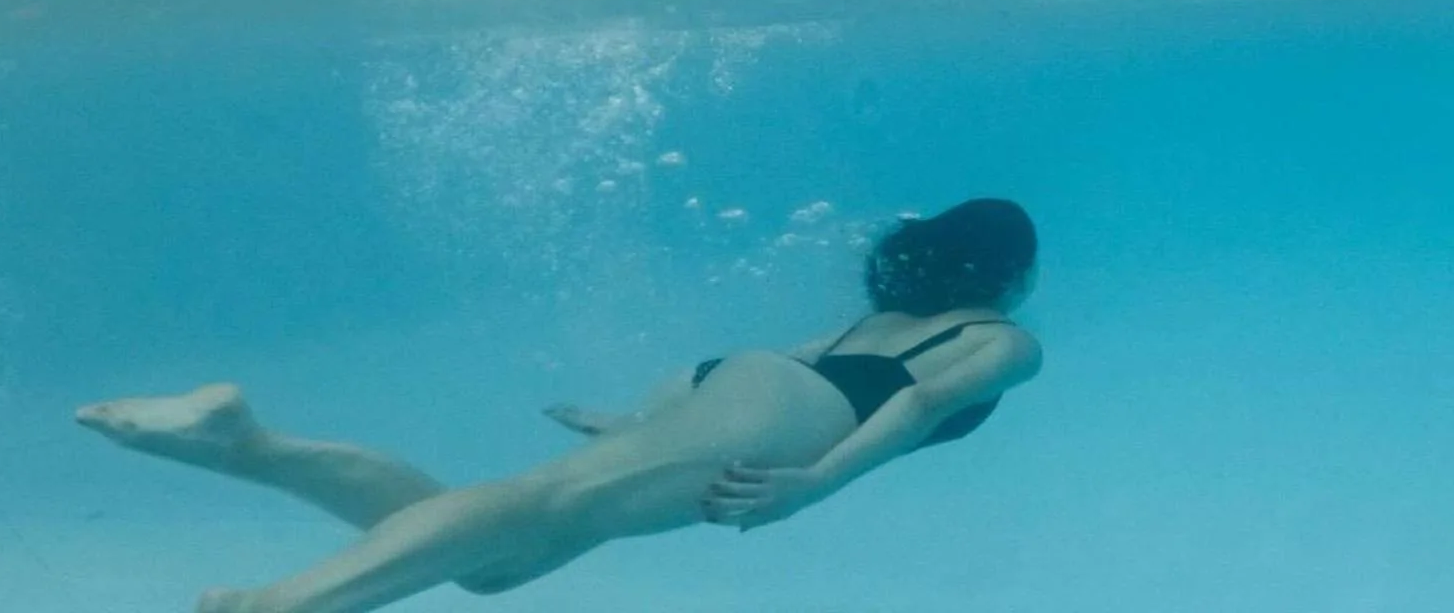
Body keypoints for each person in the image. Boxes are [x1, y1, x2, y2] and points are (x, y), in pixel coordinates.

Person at [76, 199, 1042, 613]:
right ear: (1011, 271)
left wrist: (635, 422)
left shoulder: (866, 321)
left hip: (753, 391)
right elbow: (910, 411)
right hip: (793, 420)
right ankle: (291, 605)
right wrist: (810, 490)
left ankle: (244, 442)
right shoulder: (1003, 342)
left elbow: (738, 371)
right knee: (544, 497)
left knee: (503, 563)